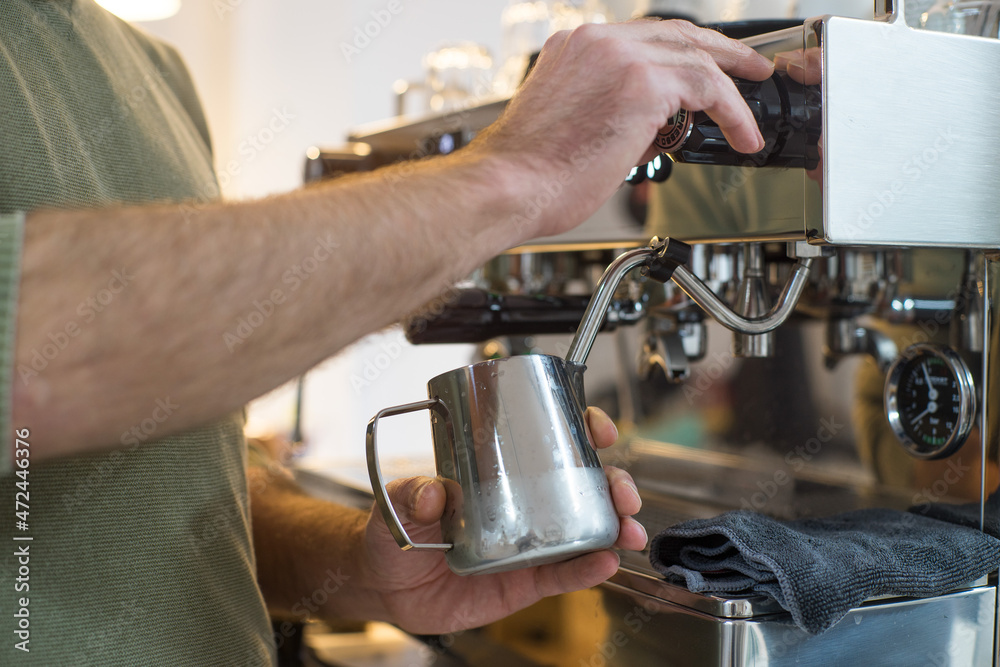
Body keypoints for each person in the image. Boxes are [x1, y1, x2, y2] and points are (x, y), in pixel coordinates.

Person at [0, 1, 773, 663]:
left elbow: (190, 470)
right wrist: (510, 173)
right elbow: (27, 360)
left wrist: (356, 565)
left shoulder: (150, 67)